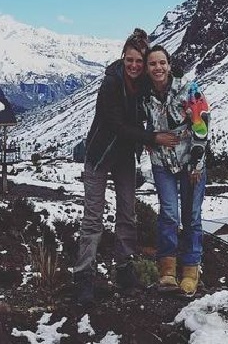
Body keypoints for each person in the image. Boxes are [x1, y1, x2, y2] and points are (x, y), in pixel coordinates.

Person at [72, 28, 179, 305]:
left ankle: (124, 268)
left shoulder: (142, 85)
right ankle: (84, 276)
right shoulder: (111, 83)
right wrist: (152, 138)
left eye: (139, 62)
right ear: (123, 58)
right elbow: (116, 125)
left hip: (124, 158)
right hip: (99, 155)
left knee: (127, 213)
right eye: (130, 60)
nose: (134, 65)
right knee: (93, 216)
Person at [143, 44, 211, 297]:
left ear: (169, 65)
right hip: (162, 164)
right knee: (169, 214)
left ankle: (191, 271)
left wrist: (197, 164)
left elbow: (202, 124)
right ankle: (167, 271)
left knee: (192, 216)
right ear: (148, 69)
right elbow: (141, 124)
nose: (158, 68)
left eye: (162, 63)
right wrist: (150, 139)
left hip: (189, 164)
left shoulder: (188, 89)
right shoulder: (145, 94)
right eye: (153, 64)